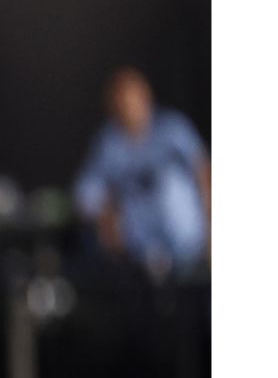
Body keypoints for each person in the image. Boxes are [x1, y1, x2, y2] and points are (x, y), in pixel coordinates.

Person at [74, 67, 209, 277]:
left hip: (186, 237)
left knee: (169, 185)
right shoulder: (109, 142)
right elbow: (87, 192)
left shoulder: (172, 128)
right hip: (140, 244)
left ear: (146, 98)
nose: (128, 107)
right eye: (121, 102)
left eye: (133, 99)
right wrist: (105, 216)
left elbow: (203, 172)